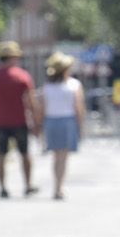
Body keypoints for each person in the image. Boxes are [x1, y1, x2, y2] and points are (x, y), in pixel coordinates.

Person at [0, 40, 39, 198]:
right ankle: (28, 185)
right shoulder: (22, 76)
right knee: (25, 154)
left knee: (1, 154)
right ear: (13, 58)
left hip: (0, 121)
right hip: (19, 121)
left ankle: (2, 188)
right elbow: (30, 100)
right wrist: (36, 120)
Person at [37, 51, 84, 200]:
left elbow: (42, 109)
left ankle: (57, 186)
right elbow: (79, 108)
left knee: (56, 157)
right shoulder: (74, 85)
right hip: (67, 122)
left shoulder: (47, 87)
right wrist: (81, 126)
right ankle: (59, 187)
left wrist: (40, 127)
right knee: (63, 157)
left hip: (51, 122)